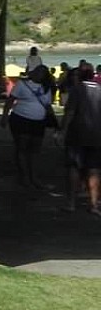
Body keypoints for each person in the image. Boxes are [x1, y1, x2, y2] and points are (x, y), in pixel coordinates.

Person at [1, 63, 55, 190]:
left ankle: (34, 177)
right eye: (37, 71)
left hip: (38, 121)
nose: (39, 74)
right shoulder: (22, 84)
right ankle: (24, 177)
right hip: (21, 119)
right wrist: (4, 116)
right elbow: (10, 100)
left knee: (35, 150)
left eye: (42, 73)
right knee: (22, 148)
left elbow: (47, 105)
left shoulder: (46, 87)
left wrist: (54, 121)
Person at [63, 62, 101, 215]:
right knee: (94, 170)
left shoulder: (77, 90)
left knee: (74, 168)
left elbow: (70, 112)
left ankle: (71, 203)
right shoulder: (99, 90)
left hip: (77, 134)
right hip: (97, 135)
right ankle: (94, 204)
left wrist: (62, 130)